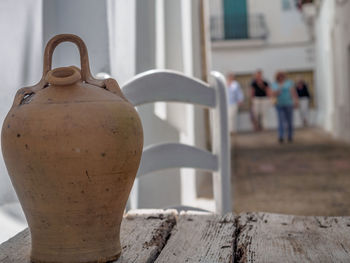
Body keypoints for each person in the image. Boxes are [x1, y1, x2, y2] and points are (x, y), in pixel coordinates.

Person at [271, 72, 299, 143]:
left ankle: (290, 136)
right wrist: (277, 91)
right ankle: (281, 136)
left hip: (289, 104)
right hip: (279, 104)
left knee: (289, 121)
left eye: (282, 76)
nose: (281, 77)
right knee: (281, 121)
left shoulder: (289, 83)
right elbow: (273, 94)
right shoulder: (274, 84)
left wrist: (296, 101)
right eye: (279, 76)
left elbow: (293, 92)